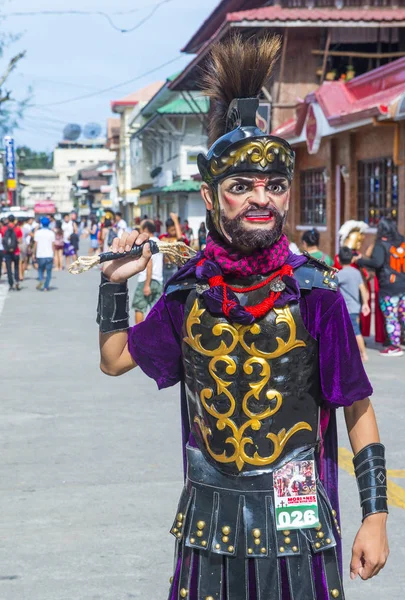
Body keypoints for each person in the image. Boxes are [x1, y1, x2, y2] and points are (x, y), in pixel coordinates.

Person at [96, 36, 388, 599]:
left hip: (300, 517)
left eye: (274, 186)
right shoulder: (188, 295)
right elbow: (113, 361)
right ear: (210, 196)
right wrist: (113, 287)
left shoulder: (316, 296)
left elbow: (357, 408)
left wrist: (375, 517)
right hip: (209, 521)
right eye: (241, 187)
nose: (261, 199)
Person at [356, 217, 405, 357]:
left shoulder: (381, 244)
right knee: (403, 315)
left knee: (391, 317)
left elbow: (377, 263)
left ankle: (395, 346)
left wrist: (360, 260)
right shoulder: (402, 242)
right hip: (403, 284)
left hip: (389, 287)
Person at [337, 246, 370, 361]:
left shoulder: (340, 274)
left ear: (338, 260)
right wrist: (365, 303)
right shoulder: (356, 272)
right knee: (353, 330)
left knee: (354, 331)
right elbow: (362, 288)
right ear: (352, 259)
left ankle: (363, 354)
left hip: (347, 308)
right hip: (356, 307)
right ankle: (355, 353)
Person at [131, 220, 163, 324]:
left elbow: (149, 264)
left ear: (145, 230)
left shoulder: (147, 244)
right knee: (156, 310)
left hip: (146, 280)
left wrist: (147, 285)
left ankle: (139, 333)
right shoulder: (159, 242)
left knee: (139, 307)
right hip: (158, 281)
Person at [159, 213, 189, 284]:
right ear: (167, 229)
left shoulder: (182, 237)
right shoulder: (163, 237)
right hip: (166, 267)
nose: (174, 232)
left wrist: (176, 221)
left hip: (179, 267)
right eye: (172, 230)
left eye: (176, 229)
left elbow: (179, 239)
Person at [33, 216, 55, 291]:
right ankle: (46, 286)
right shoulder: (51, 233)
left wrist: (33, 254)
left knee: (40, 270)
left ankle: (41, 279)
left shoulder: (38, 233)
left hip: (40, 254)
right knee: (49, 271)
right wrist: (54, 255)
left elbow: (35, 244)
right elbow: (53, 245)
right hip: (49, 255)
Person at [1, 214, 22, 291]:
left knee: (9, 268)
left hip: (6, 251)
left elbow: (2, 239)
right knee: (16, 267)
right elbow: (20, 240)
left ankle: (10, 284)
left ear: (8, 220)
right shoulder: (18, 229)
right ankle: (17, 281)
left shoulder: (3, 229)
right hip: (16, 251)